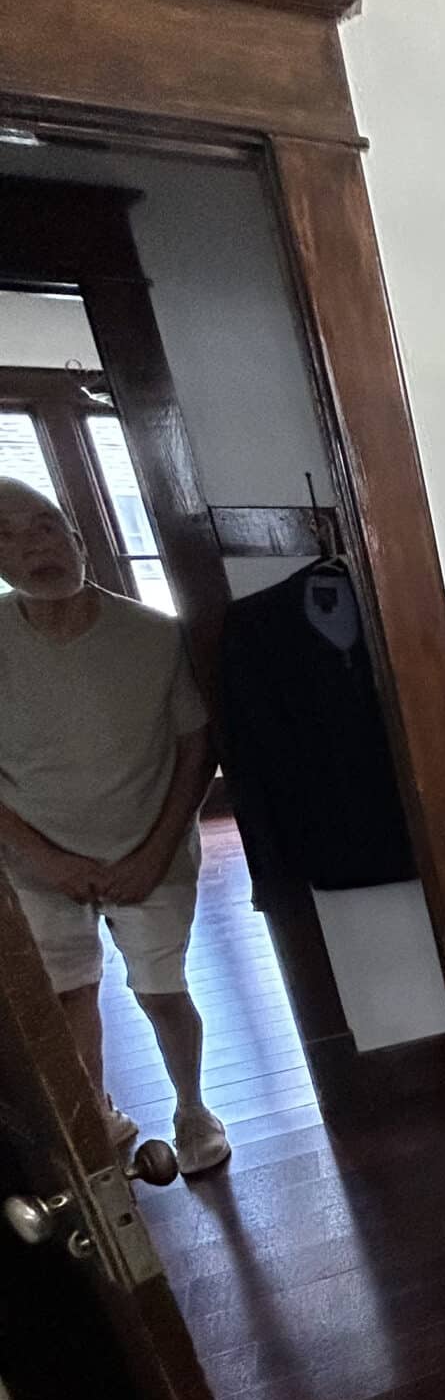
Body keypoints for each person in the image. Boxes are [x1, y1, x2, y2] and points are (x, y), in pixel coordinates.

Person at [0, 476, 229, 1174]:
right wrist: (45, 859)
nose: (33, 547)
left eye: (45, 525)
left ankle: (192, 1110)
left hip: (148, 851)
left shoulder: (155, 635)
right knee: (65, 994)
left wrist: (154, 853)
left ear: (77, 537)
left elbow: (195, 746)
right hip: (34, 862)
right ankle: (93, 1117)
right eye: (6, 536)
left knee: (161, 990)